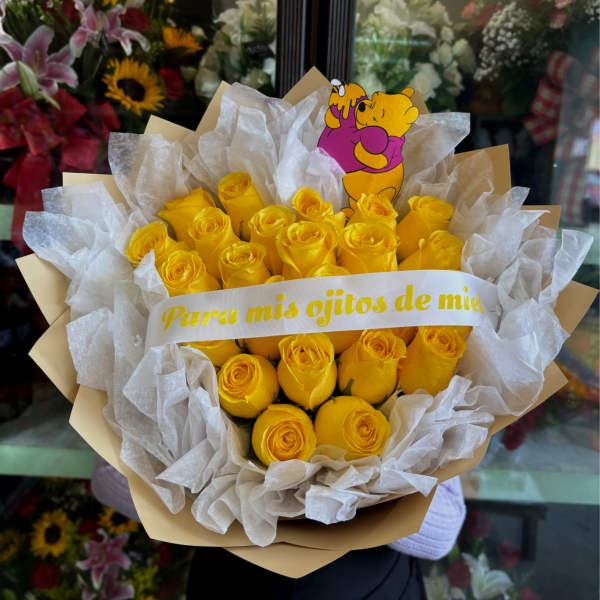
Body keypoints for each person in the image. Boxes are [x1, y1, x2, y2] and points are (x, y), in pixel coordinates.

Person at [92, 457, 465, 599]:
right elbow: (109, 475)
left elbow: (443, 528)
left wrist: (332, 488)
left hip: (377, 590)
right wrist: (242, 490)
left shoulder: (404, 318)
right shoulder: (193, 315)